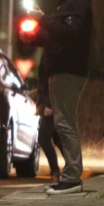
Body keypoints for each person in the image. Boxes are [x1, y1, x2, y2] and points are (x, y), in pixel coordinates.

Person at [20, 0, 92, 195]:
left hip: (68, 70)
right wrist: (35, 37)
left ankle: (71, 178)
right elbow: (57, 37)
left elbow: (70, 33)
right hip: (60, 70)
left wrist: (43, 19)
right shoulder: (66, 4)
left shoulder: (76, 3)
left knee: (64, 123)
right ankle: (70, 175)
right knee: (63, 123)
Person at [36, 53, 63, 182]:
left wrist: (48, 104)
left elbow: (51, 82)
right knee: (58, 138)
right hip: (50, 102)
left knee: (43, 137)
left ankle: (56, 170)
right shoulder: (50, 54)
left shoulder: (52, 55)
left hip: (51, 104)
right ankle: (71, 166)